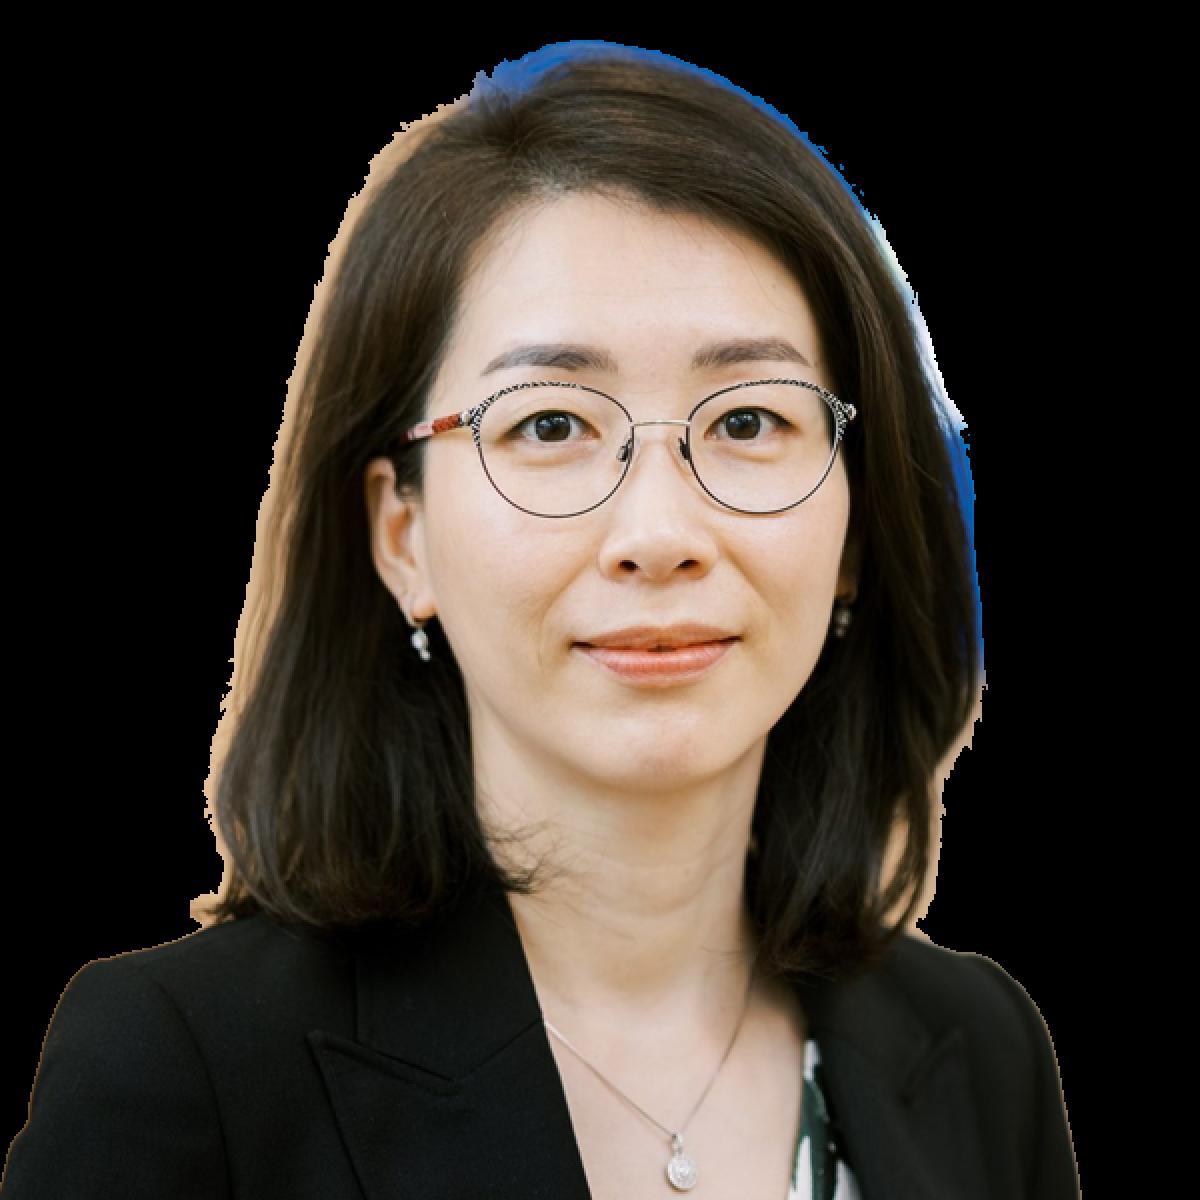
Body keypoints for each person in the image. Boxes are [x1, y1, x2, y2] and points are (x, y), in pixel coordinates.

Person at [4, 44, 1077, 1199]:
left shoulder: (982, 1051)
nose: (660, 531)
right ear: (401, 534)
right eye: (552, 426)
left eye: (751, 420)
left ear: (856, 526)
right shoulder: (186, 1071)